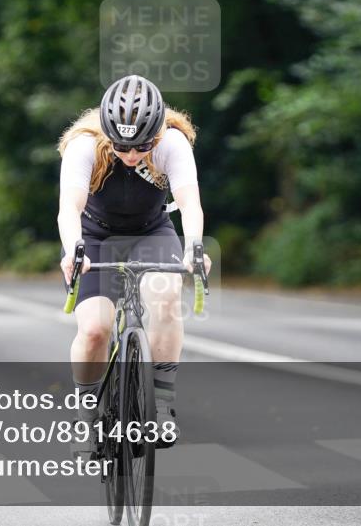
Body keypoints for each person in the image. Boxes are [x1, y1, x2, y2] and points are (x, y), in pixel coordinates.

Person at [57, 75, 212, 454]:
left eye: (142, 146)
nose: (131, 155)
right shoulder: (84, 145)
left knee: (165, 299)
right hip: (95, 236)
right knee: (95, 329)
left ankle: (162, 403)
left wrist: (194, 247)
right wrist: (74, 250)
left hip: (151, 231)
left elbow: (189, 204)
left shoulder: (172, 142)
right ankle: (87, 417)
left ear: (157, 133)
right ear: (106, 133)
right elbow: (69, 208)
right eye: (122, 146)